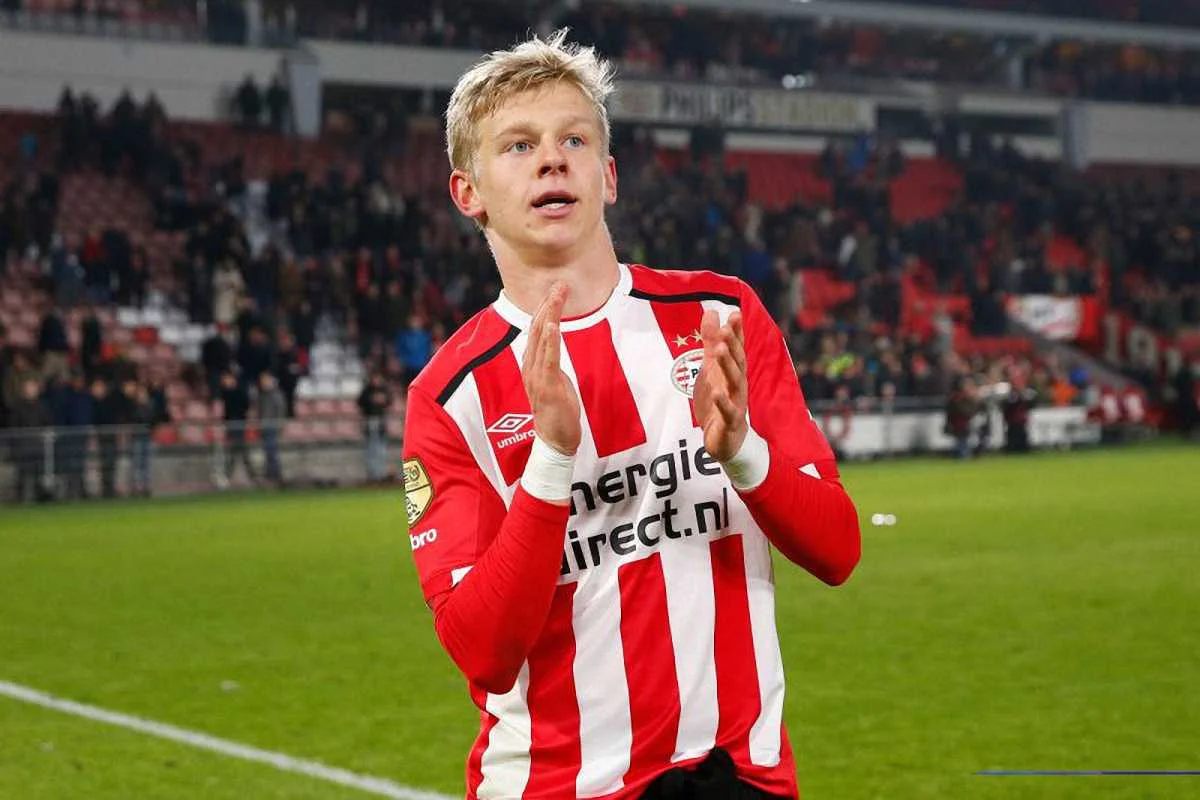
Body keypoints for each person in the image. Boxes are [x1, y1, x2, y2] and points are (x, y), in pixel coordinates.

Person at [400, 32, 860, 800]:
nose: (553, 160)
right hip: (557, 786)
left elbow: (839, 550)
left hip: (736, 777)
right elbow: (482, 652)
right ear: (467, 192)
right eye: (519, 146)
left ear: (608, 177)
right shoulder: (451, 396)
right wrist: (552, 461)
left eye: (574, 140)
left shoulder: (719, 317)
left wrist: (743, 452)